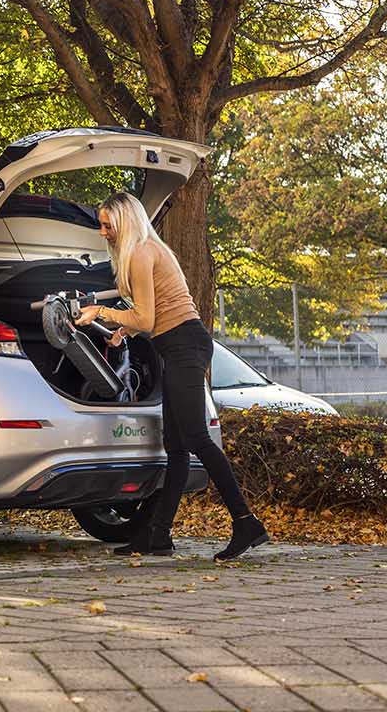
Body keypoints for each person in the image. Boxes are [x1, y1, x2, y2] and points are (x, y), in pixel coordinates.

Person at [75, 191, 269, 561]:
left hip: (184, 345)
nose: (102, 232)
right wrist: (124, 330)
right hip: (179, 344)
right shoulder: (146, 250)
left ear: (125, 223)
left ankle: (246, 523)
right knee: (176, 446)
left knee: (196, 438)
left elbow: (147, 318)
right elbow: (152, 314)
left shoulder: (142, 253)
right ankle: (158, 536)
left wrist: (101, 312)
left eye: (107, 225)